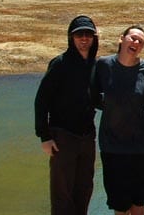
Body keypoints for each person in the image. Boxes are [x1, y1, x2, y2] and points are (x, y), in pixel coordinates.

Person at [34, 15, 99, 215]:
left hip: (87, 136)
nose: (84, 38)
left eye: (88, 34)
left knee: (85, 188)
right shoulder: (60, 64)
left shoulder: (95, 64)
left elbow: (95, 98)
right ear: (71, 38)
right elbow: (41, 101)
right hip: (63, 136)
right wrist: (44, 136)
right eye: (79, 34)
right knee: (62, 192)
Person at [91, 25, 144, 215]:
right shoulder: (103, 65)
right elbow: (93, 97)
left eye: (140, 41)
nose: (136, 42)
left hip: (141, 148)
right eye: (133, 38)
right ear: (122, 39)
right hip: (113, 147)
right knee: (119, 205)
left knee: (139, 200)